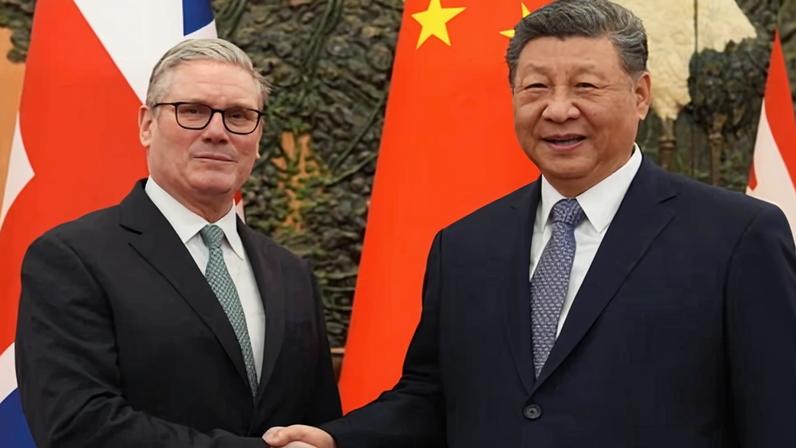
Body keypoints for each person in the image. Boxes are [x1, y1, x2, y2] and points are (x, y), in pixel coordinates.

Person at [264, 1, 796, 447]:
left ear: (640, 95)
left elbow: (776, 416)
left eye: (586, 86)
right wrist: (339, 440)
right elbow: (431, 397)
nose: (558, 109)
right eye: (535, 88)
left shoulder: (737, 237)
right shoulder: (466, 246)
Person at [15, 38, 341, 447]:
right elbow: (77, 425)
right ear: (146, 125)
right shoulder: (72, 258)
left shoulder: (291, 273)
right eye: (193, 111)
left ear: (258, 138)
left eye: (239, 116)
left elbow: (318, 424)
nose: (217, 132)